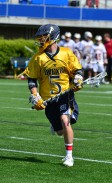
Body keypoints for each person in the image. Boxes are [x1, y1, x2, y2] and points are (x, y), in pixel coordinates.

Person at [23, 24, 83, 167]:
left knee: (65, 120)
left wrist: (78, 79)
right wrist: (36, 96)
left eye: (44, 37)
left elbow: (77, 70)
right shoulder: (38, 58)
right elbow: (31, 78)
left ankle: (69, 156)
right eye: (40, 37)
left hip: (64, 95)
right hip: (48, 99)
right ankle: (56, 127)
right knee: (59, 131)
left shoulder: (66, 53)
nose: (41, 40)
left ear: (53, 37)